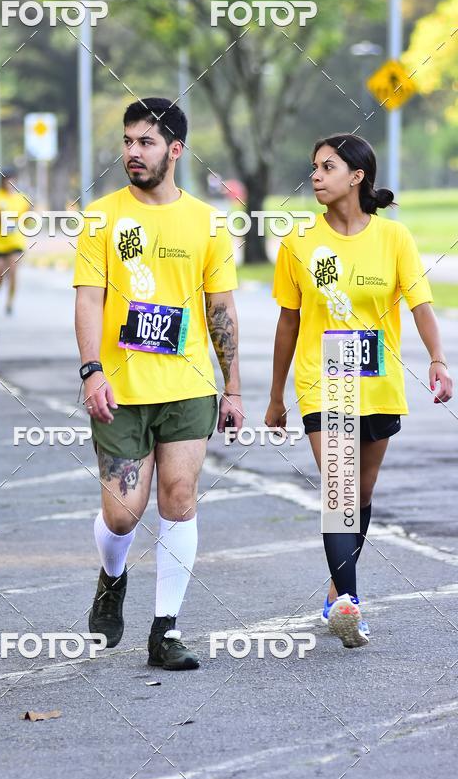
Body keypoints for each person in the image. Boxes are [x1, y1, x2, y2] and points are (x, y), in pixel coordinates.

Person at [73, 97, 244, 670]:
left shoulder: (207, 221)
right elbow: (88, 300)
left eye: (145, 142)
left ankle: (165, 630)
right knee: (123, 514)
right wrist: (92, 369)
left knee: (179, 498)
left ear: (175, 149)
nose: (132, 153)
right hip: (121, 390)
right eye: (127, 142)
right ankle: (112, 575)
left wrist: (233, 386)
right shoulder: (101, 217)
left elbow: (221, 309)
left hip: (189, 385)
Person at [265, 132, 452, 648]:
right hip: (321, 381)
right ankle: (350, 603)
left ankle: (334, 591)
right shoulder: (298, 243)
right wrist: (276, 395)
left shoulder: (394, 239)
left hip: (377, 383)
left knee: (359, 496)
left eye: (327, 167)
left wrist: (437, 360)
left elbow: (420, 306)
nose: (316, 177)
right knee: (340, 491)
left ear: (357, 175)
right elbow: (287, 323)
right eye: (314, 168)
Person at [0, 169, 31, 314]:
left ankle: (10, 302)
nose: (10, 184)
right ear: (2, 182)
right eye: (7, 181)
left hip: (16, 242)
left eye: (12, 181)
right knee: (0, 275)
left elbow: (27, 222)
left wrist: (29, 215)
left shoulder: (22, 199)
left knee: (14, 272)